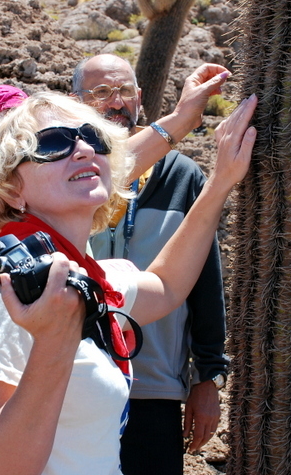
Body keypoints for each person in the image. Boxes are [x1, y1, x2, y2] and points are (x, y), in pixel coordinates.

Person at [0, 91, 257, 475]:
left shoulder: (86, 276)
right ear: (13, 190)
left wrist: (221, 181)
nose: (82, 149)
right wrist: (54, 344)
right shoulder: (7, 294)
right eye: (52, 144)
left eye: (92, 138)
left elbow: (165, 286)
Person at [73, 54, 228, 474]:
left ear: (140, 98)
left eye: (124, 91)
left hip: (154, 390)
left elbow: (204, 282)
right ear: (76, 102)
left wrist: (208, 377)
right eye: (101, 93)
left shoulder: (182, 175)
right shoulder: (65, 180)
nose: (115, 102)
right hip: (73, 387)